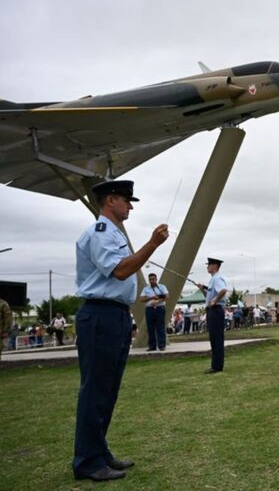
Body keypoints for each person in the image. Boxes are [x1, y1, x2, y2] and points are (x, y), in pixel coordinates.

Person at [72, 179, 169, 481]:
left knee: (108, 390)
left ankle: (99, 452)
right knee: (96, 389)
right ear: (110, 200)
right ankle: (87, 460)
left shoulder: (114, 233)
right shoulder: (101, 233)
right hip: (100, 315)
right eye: (127, 201)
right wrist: (152, 243)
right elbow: (120, 270)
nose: (130, 206)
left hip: (114, 314)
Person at [197, 258, 228, 373]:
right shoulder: (212, 280)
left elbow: (223, 290)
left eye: (209, 264)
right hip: (212, 310)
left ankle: (217, 366)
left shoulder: (217, 278)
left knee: (217, 339)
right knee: (213, 339)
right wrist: (202, 290)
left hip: (216, 310)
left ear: (215, 266)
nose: (207, 266)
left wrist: (215, 300)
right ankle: (215, 365)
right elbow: (208, 297)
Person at [138, 273, 169, 351]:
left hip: (160, 308)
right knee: (150, 328)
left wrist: (158, 301)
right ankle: (152, 346)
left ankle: (161, 345)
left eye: (153, 279)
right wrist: (151, 298)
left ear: (156, 279)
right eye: (150, 279)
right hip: (149, 309)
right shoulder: (146, 289)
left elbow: (167, 296)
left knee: (160, 327)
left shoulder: (162, 287)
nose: (151, 281)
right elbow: (141, 299)